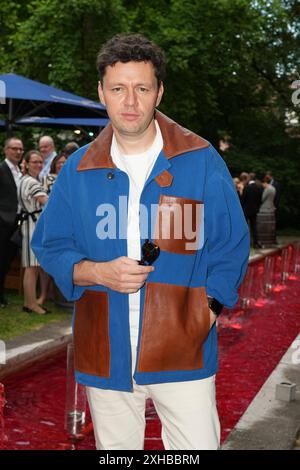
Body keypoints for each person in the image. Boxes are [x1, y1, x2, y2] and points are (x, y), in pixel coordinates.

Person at [32, 33, 250, 450]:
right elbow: (51, 245)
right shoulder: (78, 169)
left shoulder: (199, 159)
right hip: (105, 349)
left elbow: (231, 246)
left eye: (141, 88)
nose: (129, 101)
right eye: (118, 88)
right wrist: (95, 271)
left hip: (184, 344)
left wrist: (210, 309)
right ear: (101, 92)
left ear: (159, 92)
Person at [19, 151, 48, 314]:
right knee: (32, 267)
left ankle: (29, 302)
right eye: (35, 162)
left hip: (29, 224)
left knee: (32, 267)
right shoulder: (31, 182)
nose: (38, 164)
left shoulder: (24, 179)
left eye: (40, 162)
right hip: (33, 226)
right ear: (27, 163)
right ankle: (31, 304)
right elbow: (46, 202)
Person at [0, 137, 24, 308]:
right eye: (14, 149)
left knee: (7, 260)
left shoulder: (19, 170)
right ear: (6, 150)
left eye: (20, 149)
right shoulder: (1, 169)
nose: (18, 152)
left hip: (16, 222)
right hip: (3, 222)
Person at [240, 172, 263, 248]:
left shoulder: (247, 187)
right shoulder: (258, 187)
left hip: (246, 210)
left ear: (249, 178)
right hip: (254, 210)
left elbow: (243, 199)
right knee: (254, 227)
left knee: (245, 227)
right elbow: (260, 199)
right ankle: (255, 243)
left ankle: (246, 243)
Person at [256, 175, 276, 247]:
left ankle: (263, 241)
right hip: (271, 207)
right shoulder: (273, 188)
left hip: (264, 208)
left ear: (265, 183)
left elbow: (262, 198)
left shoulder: (267, 189)